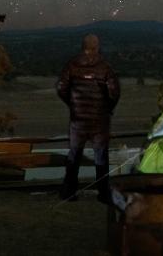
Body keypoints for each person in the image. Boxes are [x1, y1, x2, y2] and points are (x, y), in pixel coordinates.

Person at [56, 34, 120, 202]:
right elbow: (114, 92)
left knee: (74, 156)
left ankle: (68, 193)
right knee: (101, 157)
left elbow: (61, 87)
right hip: (100, 121)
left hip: (78, 121)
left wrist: (72, 104)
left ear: (82, 46)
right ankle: (104, 194)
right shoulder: (105, 67)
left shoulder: (72, 65)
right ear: (97, 46)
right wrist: (107, 109)